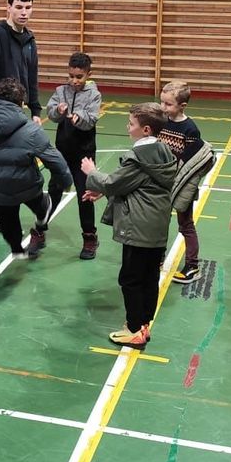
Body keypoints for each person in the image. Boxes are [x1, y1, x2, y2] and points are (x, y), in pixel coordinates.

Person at [80, 103, 178, 348]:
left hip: (138, 227)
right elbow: (134, 185)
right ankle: (143, 324)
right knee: (149, 277)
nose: (127, 127)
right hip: (155, 226)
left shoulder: (139, 157)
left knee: (131, 279)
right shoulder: (162, 152)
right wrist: (104, 193)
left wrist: (92, 173)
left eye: (131, 123)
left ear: (145, 129)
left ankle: (135, 329)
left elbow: (114, 182)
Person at [0, 79, 71, 259]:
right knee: (36, 199)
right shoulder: (31, 130)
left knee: (8, 221)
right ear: (21, 103)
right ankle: (42, 209)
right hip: (26, 185)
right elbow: (54, 159)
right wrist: (65, 180)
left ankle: (16, 249)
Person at [47, 53, 102, 259]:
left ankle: (89, 237)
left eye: (79, 77)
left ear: (88, 74)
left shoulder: (93, 95)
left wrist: (79, 118)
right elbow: (51, 113)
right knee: (54, 189)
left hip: (84, 153)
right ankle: (40, 229)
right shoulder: (61, 91)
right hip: (63, 151)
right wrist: (58, 111)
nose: (74, 81)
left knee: (84, 194)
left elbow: (92, 119)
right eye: (71, 76)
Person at [159, 80, 214, 282]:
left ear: (182, 106)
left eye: (168, 104)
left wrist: (175, 181)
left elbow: (188, 164)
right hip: (160, 182)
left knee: (185, 225)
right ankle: (157, 256)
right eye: (162, 102)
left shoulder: (190, 130)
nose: (163, 108)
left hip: (180, 184)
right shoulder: (161, 121)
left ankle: (192, 266)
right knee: (158, 222)